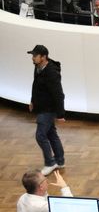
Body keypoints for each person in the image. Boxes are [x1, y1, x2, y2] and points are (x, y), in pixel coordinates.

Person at [28, 44, 66, 175]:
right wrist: (32, 100)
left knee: (40, 136)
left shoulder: (51, 73)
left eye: (35, 56)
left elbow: (58, 94)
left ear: (43, 57)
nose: (32, 58)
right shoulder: (38, 67)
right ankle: (60, 161)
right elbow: (35, 85)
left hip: (48, 109)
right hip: (41, 107)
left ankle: (50, 163)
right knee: (51, 134)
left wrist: (61, 114)